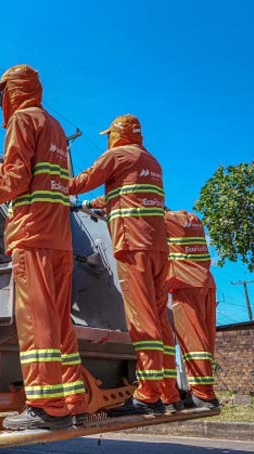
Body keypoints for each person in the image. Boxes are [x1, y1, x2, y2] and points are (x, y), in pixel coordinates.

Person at [0, 64, 87, 430]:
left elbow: (19, 180)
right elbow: (41, 173)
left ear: (14, 91)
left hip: (32, 234)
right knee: (59, 321)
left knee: (36, 321)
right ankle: (74, 401)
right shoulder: (53, 126)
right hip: (60, 238)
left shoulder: (21, 120)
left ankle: (45, 407)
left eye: (2, 94)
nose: (0, 103)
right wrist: (0, 166)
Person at [70, 115, 181, 415]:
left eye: (109, 135)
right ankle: (169, 392)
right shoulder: (151, 162)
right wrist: (87, 205)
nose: (108, 140)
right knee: (159, 318)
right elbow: (125, 195)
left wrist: (51, 185)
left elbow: (82, 181)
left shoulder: (117, 155)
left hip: (133, 245)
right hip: (157, 248)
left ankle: (147, 394)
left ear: (116, 134)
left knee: (142, 320)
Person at [165, 209, 221, 409]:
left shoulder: (166, 220)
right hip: (205, 281)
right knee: (205, 340)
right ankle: (206, 392)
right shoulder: (193, 220)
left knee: (193, 340)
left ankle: (202, 394)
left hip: (186, 284)